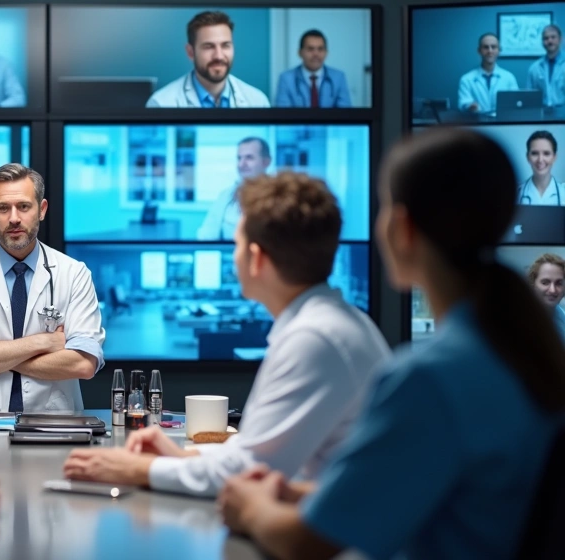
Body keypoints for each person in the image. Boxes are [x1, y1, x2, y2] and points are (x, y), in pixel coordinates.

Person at [219, 128, 565, 560]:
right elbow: (431, 495)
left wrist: (249, 507)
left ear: (402, 227)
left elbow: (305, 541)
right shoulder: (516, 351)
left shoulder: (429, 378)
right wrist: (305, 494)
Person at [63, 173, 390, 496]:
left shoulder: (315, 339)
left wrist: (138, 469)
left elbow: (248, 470)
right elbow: (254, 451)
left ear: (256, 258)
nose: (233, 256)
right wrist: (181, 457)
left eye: (236, 245)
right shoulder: (327, 324)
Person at [0, 163, 105, 413]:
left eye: (24, 206)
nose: (14, 218)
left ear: (42, 209)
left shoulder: (74, 273)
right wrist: (47, 342)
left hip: (54, 424)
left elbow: (83, 364)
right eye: (3, 208)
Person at [147, 11, 270, 108]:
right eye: (208, 47)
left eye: (225, 45)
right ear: (190, 52)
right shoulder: (161, 103)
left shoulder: (258, 101)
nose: (219, 56)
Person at [196, 136, 272, 240]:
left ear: (266, 162)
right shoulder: (226, 196)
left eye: (249, 157)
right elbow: (206, 236)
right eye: (239, 158)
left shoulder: (279, 195)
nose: (241, 164)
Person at [274, 30, 352, 108]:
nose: (316, 54)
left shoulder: (338, 77)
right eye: (310, 49)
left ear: (326, 52)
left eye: (320, 49)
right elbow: (283, 115)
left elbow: (345, 113)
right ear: (300, 53)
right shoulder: (286, 78)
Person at [457, 33, 519, 112]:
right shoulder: (466, 79)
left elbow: (516, 102)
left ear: (499, 50)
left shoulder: (509, 78)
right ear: (479, 51)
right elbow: (463, 103)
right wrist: (470, 106)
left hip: (502, 123)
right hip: (476, 123)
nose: (490, 51)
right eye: (486, 47)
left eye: (493, 47)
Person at [527, 253, 565, 340]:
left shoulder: (561, 316)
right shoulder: (520, 318)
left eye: (559, 283)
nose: (553, 290)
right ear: (533, 284)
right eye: (545, 282)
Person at [517, 130, 560, 206]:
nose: (540, 160)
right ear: (528, 157)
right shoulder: (516, 194)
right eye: (535, 153)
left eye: (546, 153)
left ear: (554, 157)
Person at [527, 24, 564, 108]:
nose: (549, 41)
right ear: (542, 42)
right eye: (546, 38)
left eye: (553, 37)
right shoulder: (534, 68)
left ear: (560, 39)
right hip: (542, 115)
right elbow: (529, 97)